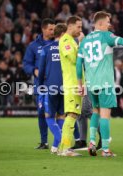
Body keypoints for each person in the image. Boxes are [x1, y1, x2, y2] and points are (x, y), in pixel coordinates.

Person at [76, 11, 123, 157]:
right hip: (105, 83)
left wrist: (80, 84)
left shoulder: (85, 41)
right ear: (99, 23)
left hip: (91, 84)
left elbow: (78, 65)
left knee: (95, 112)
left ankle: (91, 142)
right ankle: (105, 149)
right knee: (105, 115)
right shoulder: (106, 36)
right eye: (107, 21)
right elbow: (122, 41)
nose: (109, 24)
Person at [23, 18, 55, 149]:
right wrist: (35, 71)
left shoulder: (59, 43)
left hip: (56, 83)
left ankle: (66, 140)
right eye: (50, 29)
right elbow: (26, 64)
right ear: (43, 29)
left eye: (54, 29)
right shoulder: (33, 46)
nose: (53, 31)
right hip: (41, 84)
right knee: (41, 112)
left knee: (60, 112)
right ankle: (44, 142)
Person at [38, 23, 67, 154]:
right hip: (66, 86)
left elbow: (41, 69)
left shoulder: (46, 49)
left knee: (49, 115)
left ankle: (61, 141)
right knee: (61, 115)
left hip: (51, 86)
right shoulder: (68, 48)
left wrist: (40, 85)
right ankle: (56, 147)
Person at [58, 16, 84, 156]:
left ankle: (63, 147)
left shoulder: (71, 41)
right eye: (78, 27)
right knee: (72, 114)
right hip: (72, 84)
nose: (80, 30)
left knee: (71, 114)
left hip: (75, 83)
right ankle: (66, 149)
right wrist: (80, 44)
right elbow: (74, 59)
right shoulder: (66, 40)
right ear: (71, 26)